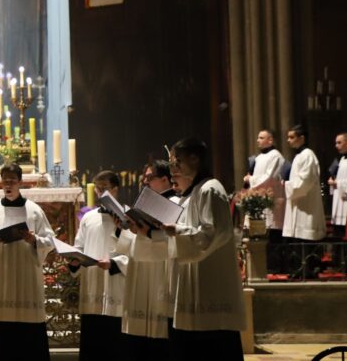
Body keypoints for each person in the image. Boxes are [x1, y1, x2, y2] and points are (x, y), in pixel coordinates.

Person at [163, 138, 246, 360]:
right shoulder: (191, 193)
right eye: (172, 163)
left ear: (195, 159)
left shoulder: (210, 189)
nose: (174, 168)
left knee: (212, 346)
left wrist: (178, 231)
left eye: (177, 162)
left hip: (209, 284)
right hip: (192, 282)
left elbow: (215, 233)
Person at [0, 163, 56, 361]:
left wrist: (34, 240)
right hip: (1, 277)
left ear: (20, 182)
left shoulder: (33, 210)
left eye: (12, 180)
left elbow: (50, 240)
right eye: (5, 180)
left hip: (26, 277)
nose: (8, 184)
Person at [116, 160, 175, 358]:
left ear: (165, 179)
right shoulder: (145, 203)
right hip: (139, 265)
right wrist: (126, 226)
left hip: (160, 266)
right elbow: (132, 241)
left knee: (159, 333)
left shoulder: (175, 203)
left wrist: (148, 232)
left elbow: (174, 239)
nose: (145, 181)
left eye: (150, 177)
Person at [70, 171, 127, 360]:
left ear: (116, 190)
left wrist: (114, 263)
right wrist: (74, 260)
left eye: (105, 188)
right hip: (92, 286)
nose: (100, 192)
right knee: (92, 345)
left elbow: (136, 252)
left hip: (116, 284)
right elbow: (79, 246)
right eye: (98, 188)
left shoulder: (128, 217)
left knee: (115, 345)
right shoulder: (88, 217)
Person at [281, 125, 327, 277]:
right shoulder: (299, 156)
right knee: (298, 242)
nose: (288, 140)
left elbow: (305, 182)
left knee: (305, 240)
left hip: (306, 206)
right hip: (299, 204)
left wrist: (286, 185)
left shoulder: (308, 155)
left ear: (302, 138)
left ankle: (308, 271)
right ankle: (299, 270)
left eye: (291, 137)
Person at [243, 129, 286, 273]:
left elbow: (269, 178)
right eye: (258, 138)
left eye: (261, 138)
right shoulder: (259, 158)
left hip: (270, 201)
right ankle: (261, 266)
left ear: (270, 140)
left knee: (271, 234)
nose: (258, 140)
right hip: (259, 200)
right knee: (258, 234)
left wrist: (251, 179)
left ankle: (274, 267)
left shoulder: (276, 156)